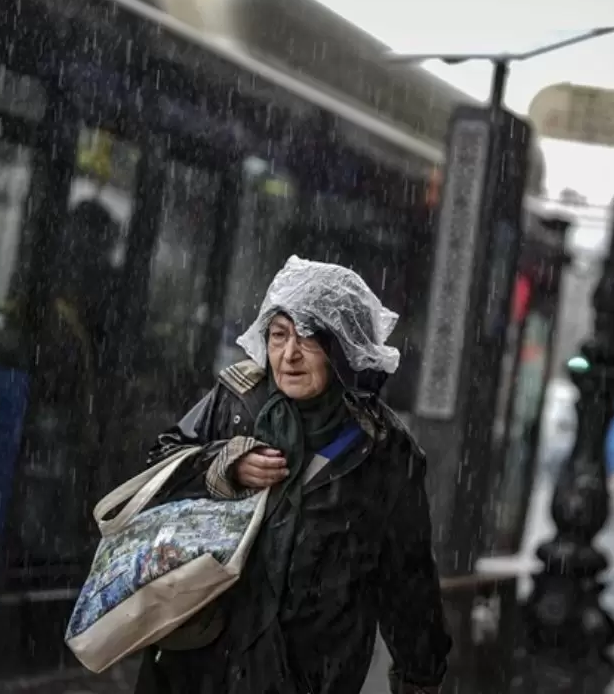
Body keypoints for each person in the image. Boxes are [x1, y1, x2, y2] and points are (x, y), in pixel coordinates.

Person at [134, 256, 450, 694]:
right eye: (279, 335)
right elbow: (160, 466)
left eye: (309, 339)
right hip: (201, 666)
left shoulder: (384, 453)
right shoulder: (238, 404)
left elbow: (408, 579)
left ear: (343, 349)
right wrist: (224, 463)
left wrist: (420, 676)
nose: (289, 354)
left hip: (308, 675)